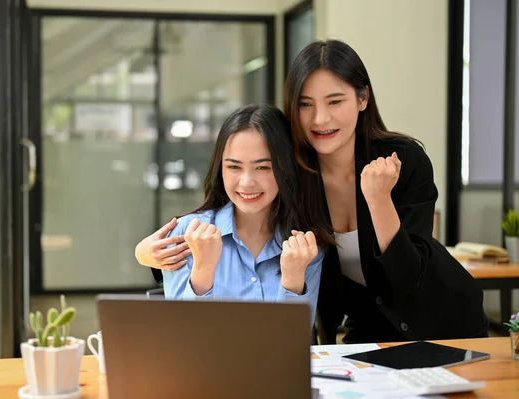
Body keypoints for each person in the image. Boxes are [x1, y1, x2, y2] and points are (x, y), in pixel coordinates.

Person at [136, 39, 489, 344]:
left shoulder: (402, 161)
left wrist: (379, 200)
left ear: (363, 98)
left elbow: (406, 277)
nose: (320, 119)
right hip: (367, 328)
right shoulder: (294, 169)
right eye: (306, 104)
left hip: (441, 318)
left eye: (335, 101)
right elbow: (240, 221)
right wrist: (144, 253)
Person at [152, 104, 329, 329]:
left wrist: (292, 282)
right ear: (220, 169)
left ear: (285, 168)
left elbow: (291, 345)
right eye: (234, 167)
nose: (247, 182)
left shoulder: (305, 248)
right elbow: (180, 339)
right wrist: (203, 270)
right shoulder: (186, 235)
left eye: (263, 168)